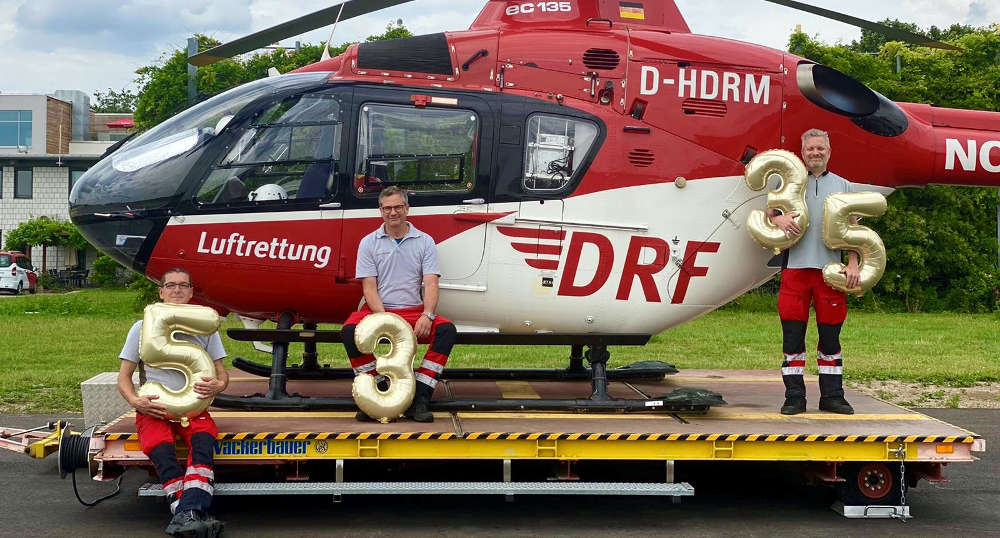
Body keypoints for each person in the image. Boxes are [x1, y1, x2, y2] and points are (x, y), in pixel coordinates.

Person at [117, 268, 228, 537]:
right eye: (170, 285)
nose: (176, 290)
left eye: (183, 286)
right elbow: (124, 376)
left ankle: (185, 515)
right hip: (155, 406)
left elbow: (221, 372)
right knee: (161, 450)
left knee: (203, 445)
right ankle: (193, 513)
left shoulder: (206, 329)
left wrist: (220, 384)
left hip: (194, 406)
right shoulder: (142, 327)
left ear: (191, 292)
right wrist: (136, 402)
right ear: (161, 291)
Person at [342, 186, 458, 423]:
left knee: (446, 330)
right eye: (387, 208)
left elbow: (431, 283)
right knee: (349, 331)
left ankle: (421, 397)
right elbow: (369, 289)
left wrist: (427, 314)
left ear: (407, 209)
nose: (392, 212)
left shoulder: (425, 241)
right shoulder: (368, 243)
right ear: (380, 210)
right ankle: (378, 390)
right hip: (378, 310)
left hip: (414, 310)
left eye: (397, 207)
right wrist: (386, 321)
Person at [767, 128, 859, 416]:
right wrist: (778, 218)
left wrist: (854, 262)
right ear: (802, 153)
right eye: (810, 150)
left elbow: (855, 230)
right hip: (795, 271)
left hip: (830, 273)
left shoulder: (844, 186)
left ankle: (833, 396)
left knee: (830, 338)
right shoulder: (790, 183)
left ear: (829, 152)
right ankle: (795, 397)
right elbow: (768, 211)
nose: (815, 154)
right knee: (792, 338)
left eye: (820, 149)